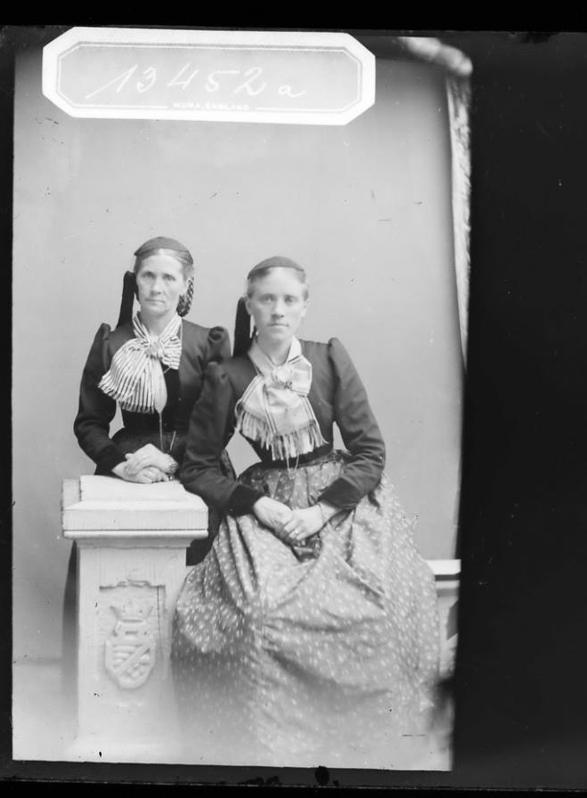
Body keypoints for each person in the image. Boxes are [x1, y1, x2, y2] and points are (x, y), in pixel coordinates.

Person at [171, 256, 441, 768]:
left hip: (339, 500)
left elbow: (370, 452)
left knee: (377, 605)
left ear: (304, 306)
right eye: (266, 299)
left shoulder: (328, 358)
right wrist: (258, 505)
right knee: (259, 613)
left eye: (289, 299)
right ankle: (268, 755)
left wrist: (322, 511)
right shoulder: (227, 376)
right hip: (265, 504)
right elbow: (198, 466)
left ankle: (373, 750)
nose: (278, 310)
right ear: (250, 305)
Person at [64, 236, 232, 703]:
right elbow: (89, 422)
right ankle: (118, 694)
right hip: (130, 463)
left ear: (186, 285)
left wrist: (177, 462)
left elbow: (223, 422)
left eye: (169, 277)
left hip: (199, 462)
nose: (157, 287)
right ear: (135, 282)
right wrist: (122, 466)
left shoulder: (208, 343)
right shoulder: (111, 343)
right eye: (148, 276)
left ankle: (194, 691)